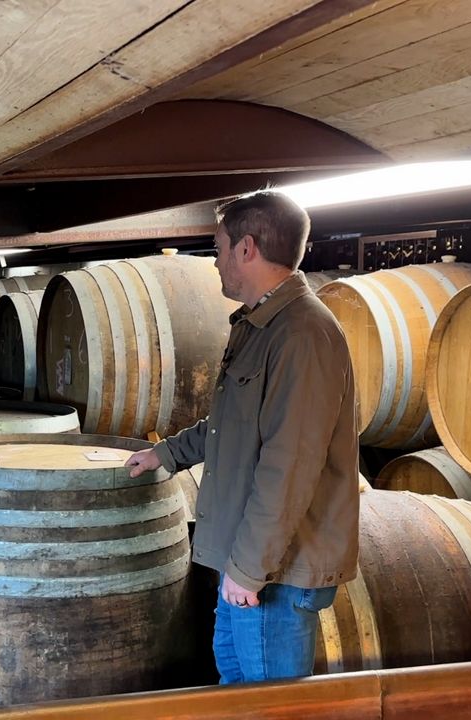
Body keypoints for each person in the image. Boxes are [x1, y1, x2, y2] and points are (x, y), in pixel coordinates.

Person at [125, 190, 359, 684]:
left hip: (273, 575)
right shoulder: (258, 326)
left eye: (218, 248)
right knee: (238, 696)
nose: (215, 262)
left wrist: (250, 570)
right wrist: (165, 454)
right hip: (246, 563)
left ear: (246, 248)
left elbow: (289, 465)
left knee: (267, 706)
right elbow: (230, 428)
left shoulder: (302, 334)